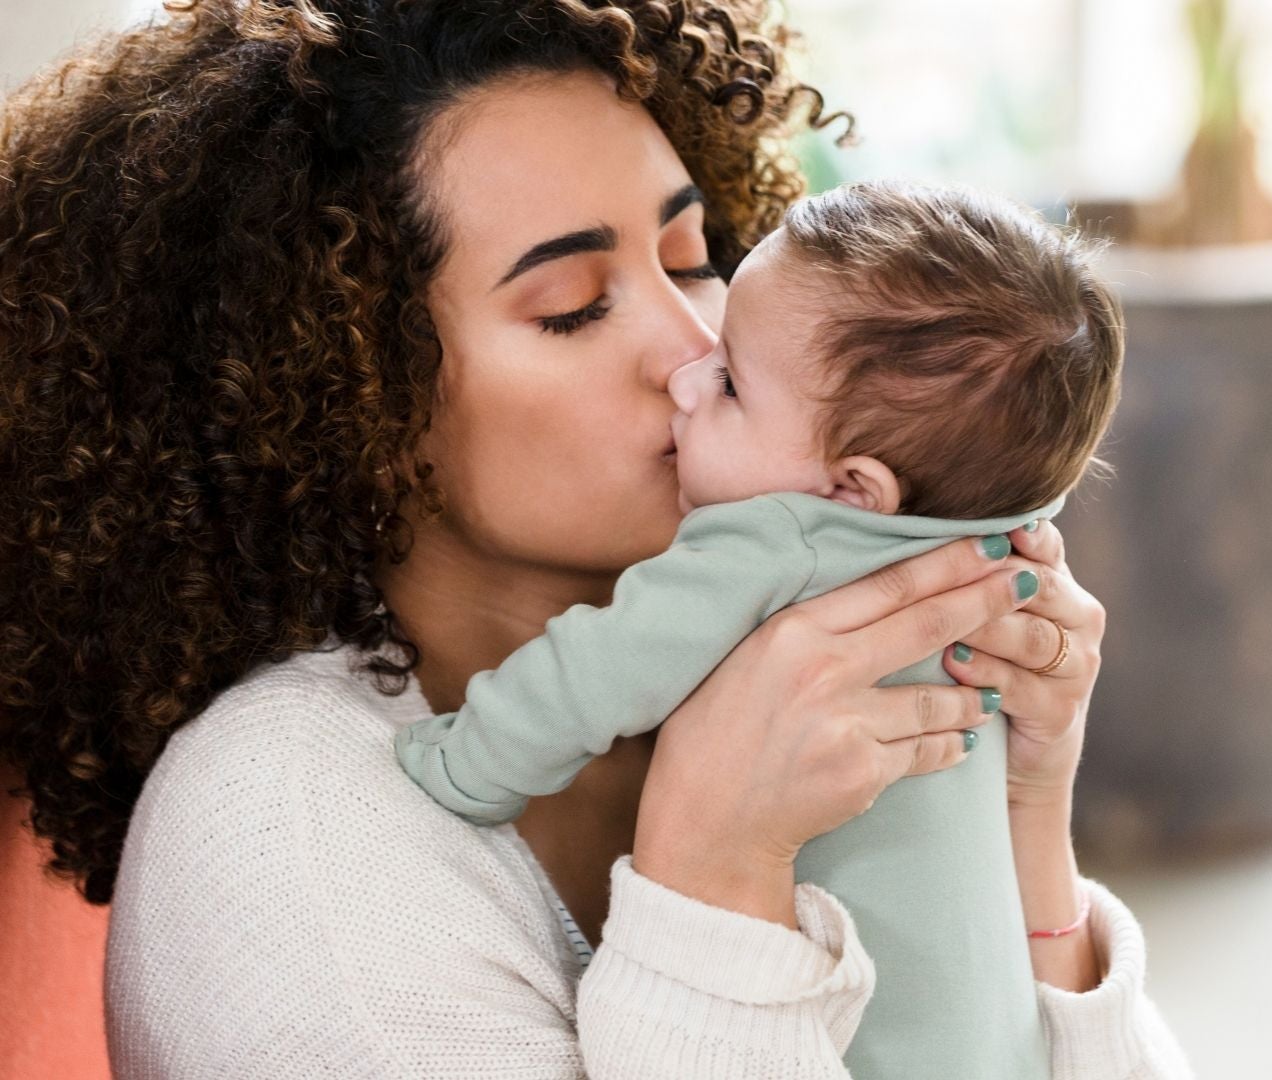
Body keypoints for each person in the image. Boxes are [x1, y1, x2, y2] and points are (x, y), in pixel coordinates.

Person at [0, 2, 1197, 1077]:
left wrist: (1028, 822)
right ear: (340, 382)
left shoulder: (793, 672)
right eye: (572, 305)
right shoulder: (291, 837)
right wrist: (714, 876)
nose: (694, 352)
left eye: (696, 258)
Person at [391, 177, 1122, 1078]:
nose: (693, 368)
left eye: (732, 383)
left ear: (855, 487)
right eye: (576, 307)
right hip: (1005, 1032)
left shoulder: (773, 542)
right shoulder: (1006, 543)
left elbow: (597, 672)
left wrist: (464, 763)